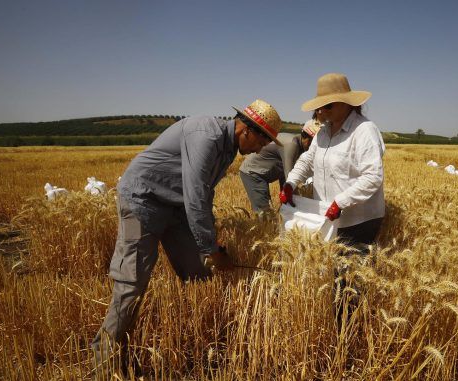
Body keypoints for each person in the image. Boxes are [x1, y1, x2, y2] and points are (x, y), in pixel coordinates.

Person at [91, 99, 283, 374]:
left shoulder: (228, 149)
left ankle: (199, 345)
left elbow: (205, 194)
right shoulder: (205, 136)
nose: (259, 151)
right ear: (248, 132)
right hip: (143, 198)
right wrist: (211, 249)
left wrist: (211, 245)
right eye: (261, 144)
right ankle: (104, 363)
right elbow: (195, 195)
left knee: (197, 273)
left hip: (175, 206)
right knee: (131, 283)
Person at [280, 73, 385, 329]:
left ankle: (349, 335)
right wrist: (291, 182)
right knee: (333, 275)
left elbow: (373, 177)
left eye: (327, 105)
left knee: (348, 282)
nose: (321, 110)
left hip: (357, 218)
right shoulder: (323, 133)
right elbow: (307, 160)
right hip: (327, 217)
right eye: (320, 106)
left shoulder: (364, 131)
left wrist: (341, 201)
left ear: (346, 103)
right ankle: (338, 328)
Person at [239, 116, 321, 216]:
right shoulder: (292, 145)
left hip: (265, 172)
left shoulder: (299, 146)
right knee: (264, 213)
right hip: (253, 173)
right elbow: (289, 177)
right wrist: (300, 208)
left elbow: (285, 175)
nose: (315, 147)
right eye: (314, 143)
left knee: (284, 208)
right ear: (305, 137)